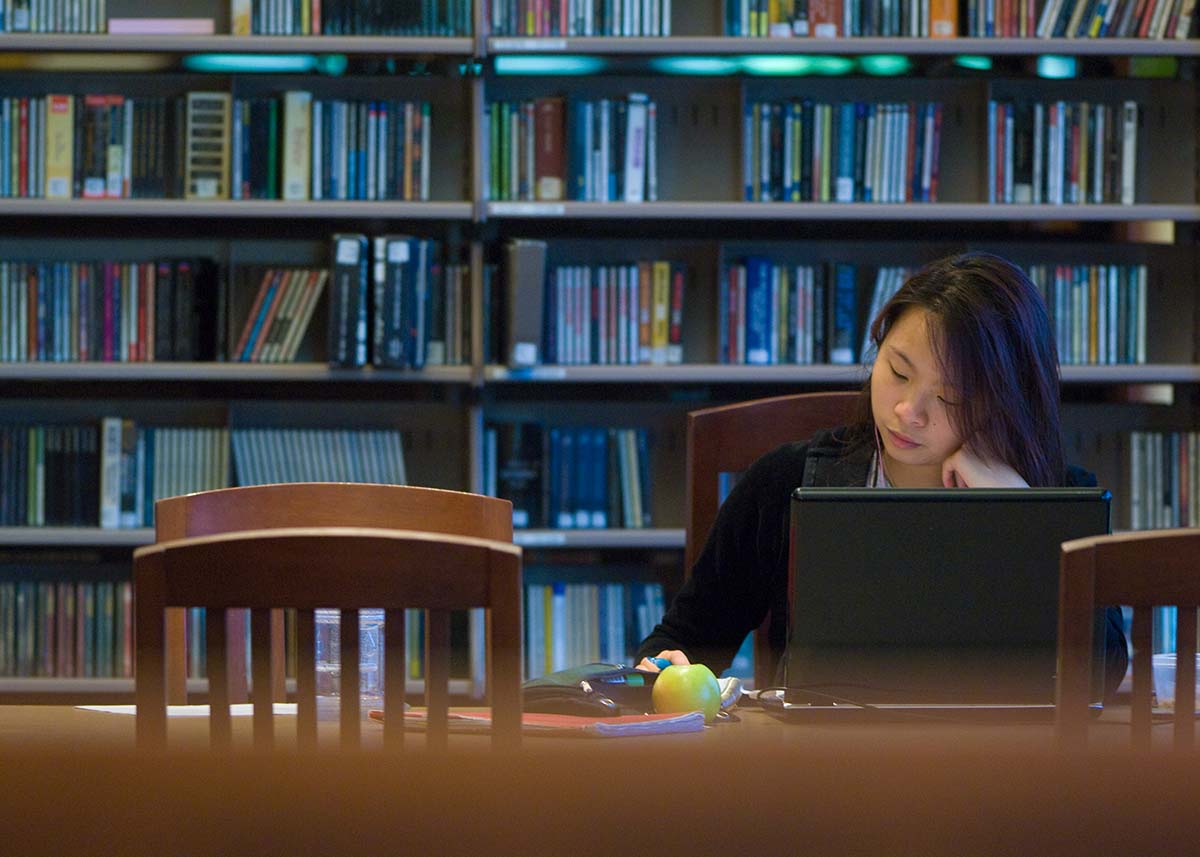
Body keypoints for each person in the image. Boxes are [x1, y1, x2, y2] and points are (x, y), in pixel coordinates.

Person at [636, 252, 1129, 696]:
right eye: (897, 371)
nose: (907, 411)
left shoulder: (1062, 498)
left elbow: (1102, 672)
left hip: (995, 774)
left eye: (950, 397)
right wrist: (666, 665)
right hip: (825, 770)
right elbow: (686, 640)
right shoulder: (786, 482)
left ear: (1006, 401)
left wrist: (1020, 513)